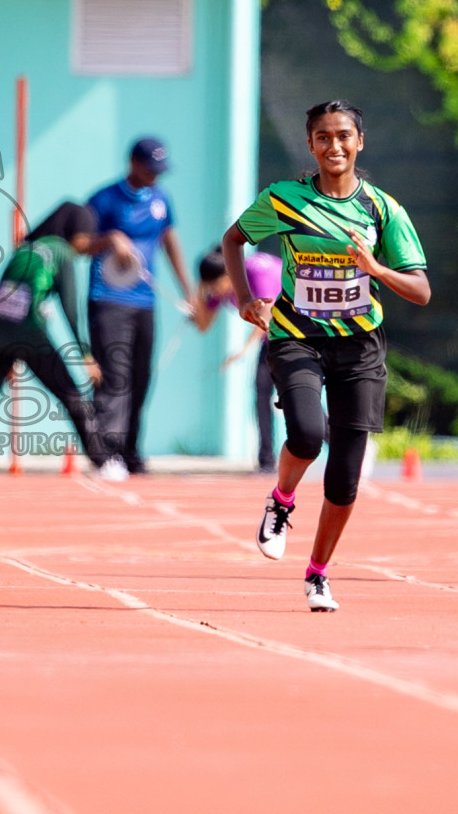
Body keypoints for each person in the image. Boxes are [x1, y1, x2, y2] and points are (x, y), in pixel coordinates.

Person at [222, 100, 431, 612]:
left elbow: (422, 290)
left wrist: (376, 269)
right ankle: (282, 499)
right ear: (310, 144)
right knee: (308, 434)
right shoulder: (284, 199)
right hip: (296, 335)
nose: (334, 146)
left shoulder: (383, 209)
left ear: (360, 142)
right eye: (323, 137)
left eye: (343, 136)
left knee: (345, 475)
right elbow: (232, 240)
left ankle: (318, 573)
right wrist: (245, 298)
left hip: (360, 346)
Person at [0, 203, 108, 469]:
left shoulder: (26, 249)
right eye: (88, 236)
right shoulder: (60, 252)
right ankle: (103, 463)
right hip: (30, 335)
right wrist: (85, 355)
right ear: (76, 231)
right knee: (72, 396)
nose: (87, 245)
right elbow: (71, 310)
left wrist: (7, 344)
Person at [84, 138, 196, 477]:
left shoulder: (162, 199)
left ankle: (131, 450)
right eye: (150, 169)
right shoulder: (104, 199)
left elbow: (170, 241)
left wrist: (187, 292)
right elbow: (81, 245)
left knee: (141, 377)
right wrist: (110, 240)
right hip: (108, 300)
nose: (155, 177)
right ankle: (106, 452)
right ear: (133, 163)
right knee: (115, 376)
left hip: (145, 301)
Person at [192, 246, 283, 474]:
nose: (215, 291)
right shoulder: (218, 288)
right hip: (271, 339)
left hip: (298, 332)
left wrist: (242, 350)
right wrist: (199, 291)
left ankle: (344, 446)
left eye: (216, 285)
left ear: (230, 273)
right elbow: (203, 325)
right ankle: (266, 461)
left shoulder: (256, 272)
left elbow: (267, 315)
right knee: (261, 393)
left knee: (295, 396)